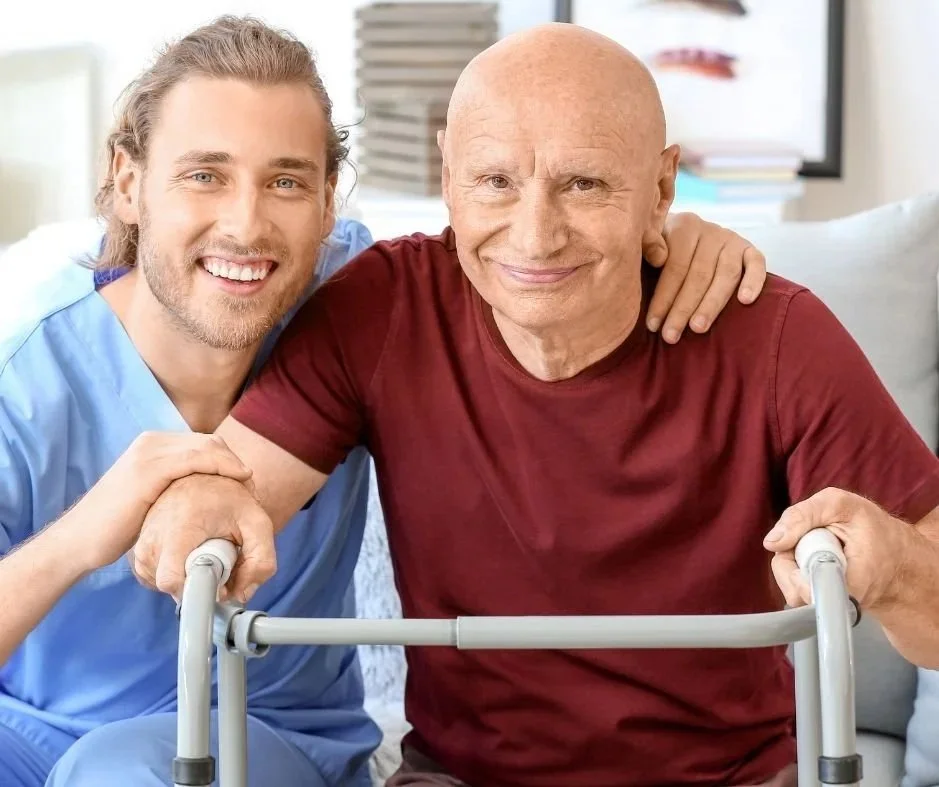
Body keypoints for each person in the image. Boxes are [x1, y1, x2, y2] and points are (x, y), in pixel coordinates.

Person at [132, 20, 939, 787]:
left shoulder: (773, 334)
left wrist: (894, 564)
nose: (533, 235)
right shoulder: (380, 308)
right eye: (493, 182)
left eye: (582, 184)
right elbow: (234, 487)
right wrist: (201, 500)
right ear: (447, 176)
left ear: (660, 189)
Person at [0, 16, 768, 787]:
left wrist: (669, 237)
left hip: (257, 731)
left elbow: (524, 261)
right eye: (205, 174)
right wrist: (80, 538)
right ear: (128, 182)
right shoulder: (26, 373)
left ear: (329, 200)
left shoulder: (365, 303)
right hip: (26, 735)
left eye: (286, 181)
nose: (245, 224)